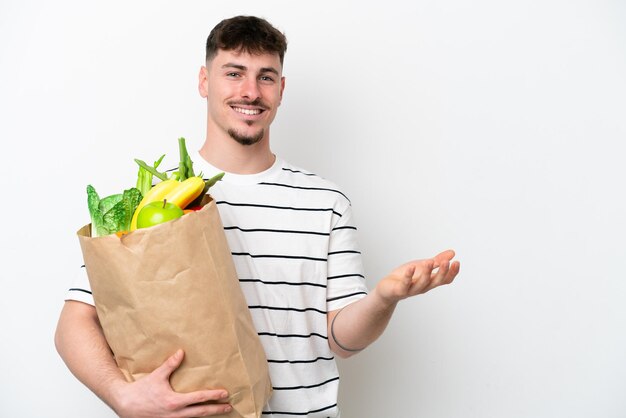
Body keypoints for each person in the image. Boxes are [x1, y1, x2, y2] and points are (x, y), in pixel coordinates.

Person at [55, 15, 460, 418]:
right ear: (203, 81)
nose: (251, 92)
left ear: (281, 90)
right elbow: (74, 323)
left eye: (266, 77)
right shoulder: (154, 200)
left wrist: (383, 299)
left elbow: (343, 341)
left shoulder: (326, 203)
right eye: (234, 73)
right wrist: (121, 396)